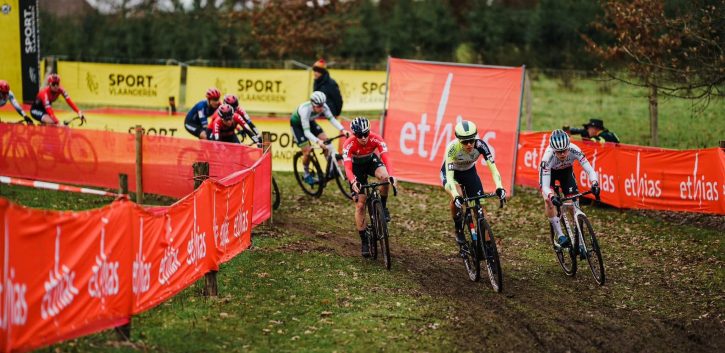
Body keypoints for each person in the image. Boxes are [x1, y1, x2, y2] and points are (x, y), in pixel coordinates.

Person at [441, 120, 506, 251]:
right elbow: (449, 176)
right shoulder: (452, 148)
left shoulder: (481, 145)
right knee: (457, 196)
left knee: (479, 207)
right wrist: (455, 195)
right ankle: (458, 228)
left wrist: (499, 186)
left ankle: (487, 247)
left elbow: (493, 169)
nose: (469, 144)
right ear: (458, 140)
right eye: (465, 142)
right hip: (452, 174)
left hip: (469, 172)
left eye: (471, 140)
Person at [342, 117, 396, 257]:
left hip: (371, 161)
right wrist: (353, 182)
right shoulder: (349, 144)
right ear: (354, 134)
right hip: (356, 168)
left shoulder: (376, 138)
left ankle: (382, 207)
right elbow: (348, 168)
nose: (364, 138)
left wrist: (391, 175)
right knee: (360, 205)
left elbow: (386, 157)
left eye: (366, 133)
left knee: (384, 178)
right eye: (360, 135)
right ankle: (365, 241)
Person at [540, 129, 600, 253]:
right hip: (550, 174)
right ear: (553, 150)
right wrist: (552, 196)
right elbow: (545, 186)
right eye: (559, 152)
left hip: (566, 172)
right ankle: (560, 235)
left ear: (568, 146)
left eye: (565, 150)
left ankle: (579, 239)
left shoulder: (574, 149)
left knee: (574, 205)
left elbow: (590, 170)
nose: (562, 154)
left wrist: (595, 183)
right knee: (548, 200)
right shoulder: (547, 158)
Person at [290, 91, 350, 185]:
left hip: (310, 122)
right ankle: (306, 174)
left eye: (322, 105)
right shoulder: (305, 110)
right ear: (313, 105)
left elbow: (332, 119)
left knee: (326, 142)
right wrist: (318, 141)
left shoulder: (324, 107)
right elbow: (306, 132)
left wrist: (343, 130)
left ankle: (330, 171)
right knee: (307, 151)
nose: (321, 108)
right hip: (298, 126)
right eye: (319, 106)